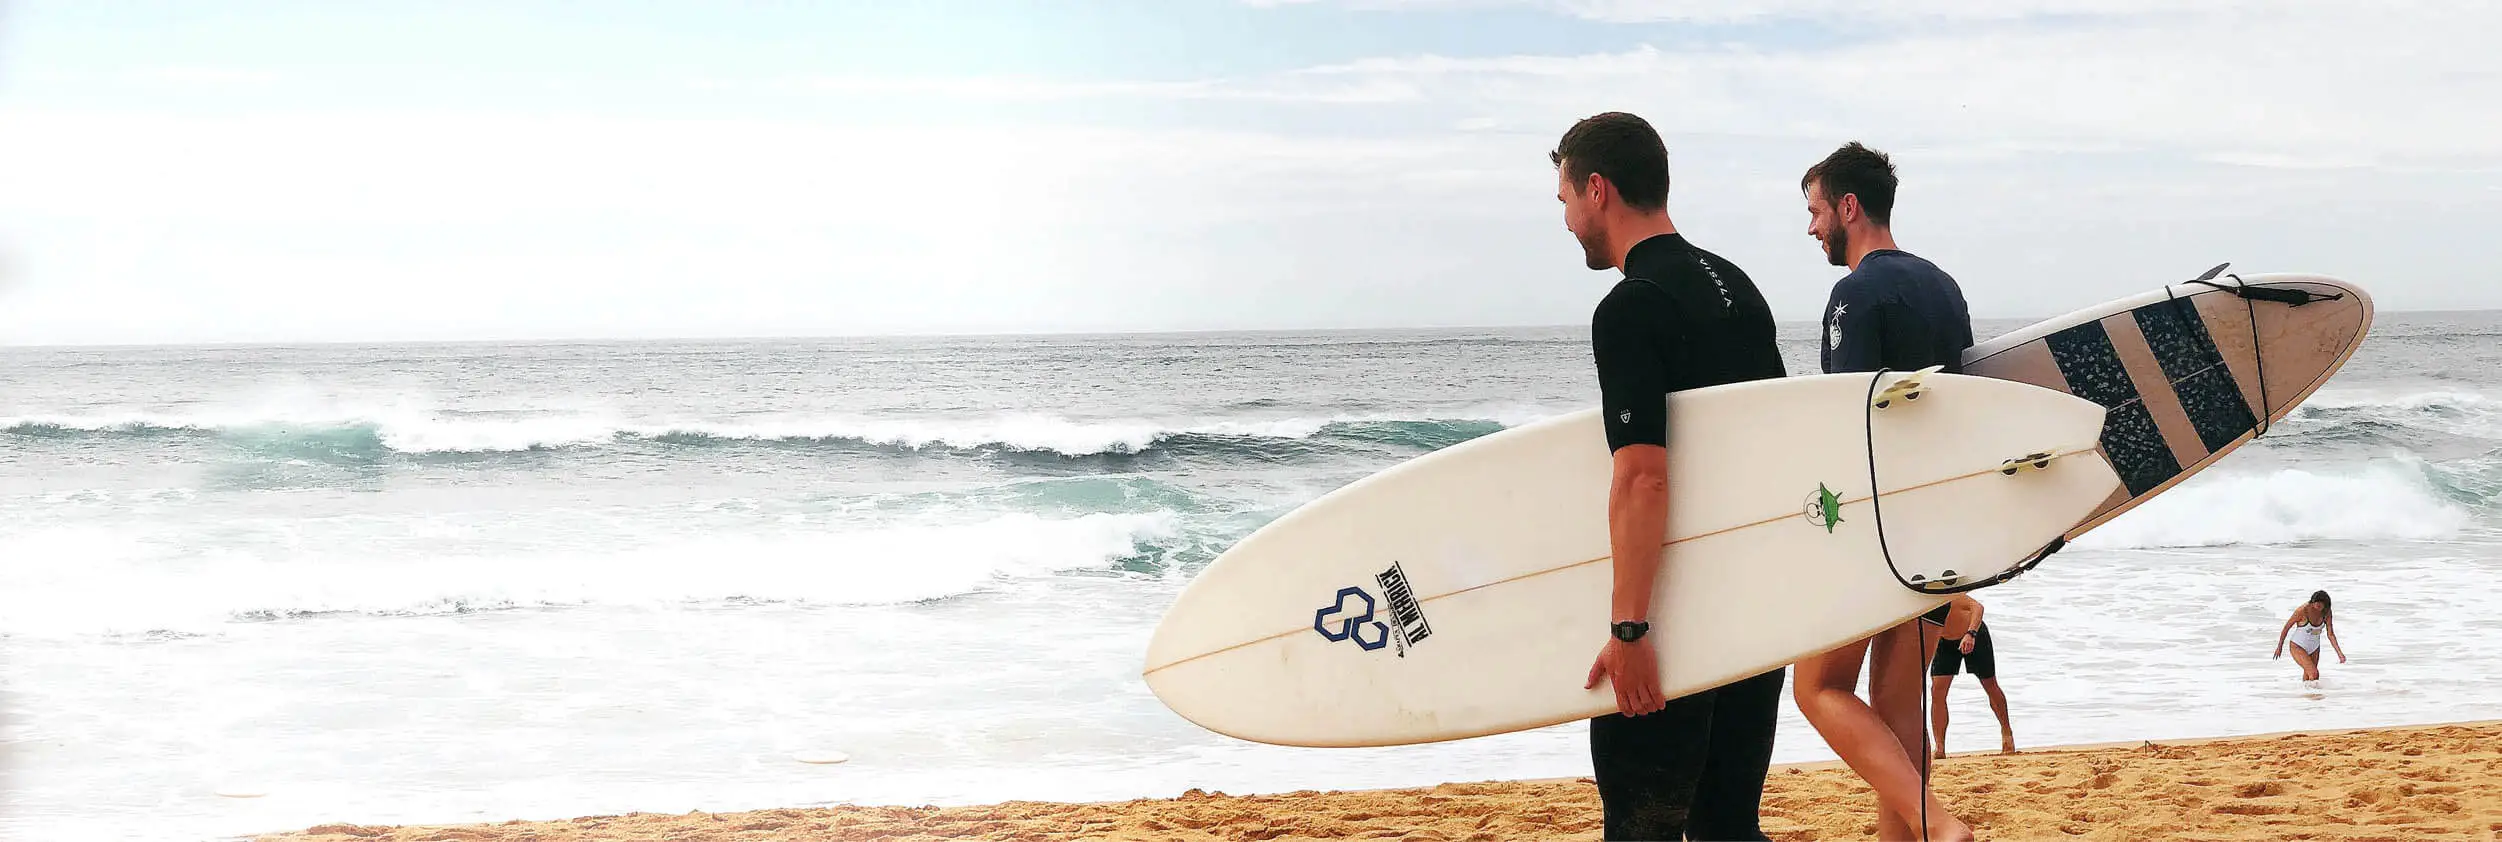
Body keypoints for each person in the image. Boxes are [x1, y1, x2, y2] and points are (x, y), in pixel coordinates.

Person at [1553, 111, 1789, 841]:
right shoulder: (1737, 286)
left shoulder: (1630, 307)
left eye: (1565, 199)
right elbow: (1776, 445)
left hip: (1675, 621)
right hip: (1754, 611)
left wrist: (1629, 630)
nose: (1566, 221)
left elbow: (1643, 478)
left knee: (1641, 829)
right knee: (1727, 827)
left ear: (1597, 189)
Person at [1789, 141, 1978, 842]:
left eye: (1815, 211)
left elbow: (1852, 418)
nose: (1812, 228)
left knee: (1818, 688)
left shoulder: (1856, 292)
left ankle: (1938, 824)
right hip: (1939, 517)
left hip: (1876, 523)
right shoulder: (1944, 287)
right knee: (1899, 712)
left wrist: (1819, 524)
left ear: (1848, 207)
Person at [1925, 595, 2015, 758]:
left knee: (1990, 685)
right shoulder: (1918, 602)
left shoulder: (1948, 595)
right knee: (1937, 692)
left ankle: (2006, 732)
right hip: (1944, 642)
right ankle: (1939, 747)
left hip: (1974, 635)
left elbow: (1978, 607)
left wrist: (1971, 634)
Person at [2273, 590, 2345, 681]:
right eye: (2315, 604)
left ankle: (2306, 690)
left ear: (2325, 604)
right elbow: (2287, 627)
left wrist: (2339, 653)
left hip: (2314, 647)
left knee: (2310, 677)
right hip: (2297, 646)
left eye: (2320, 605)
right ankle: (2312, 690)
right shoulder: (2302, 611)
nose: (2317, 607)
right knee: (2314, 673)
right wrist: (2279, 646)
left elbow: (2330, 634)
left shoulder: (2327, 612)